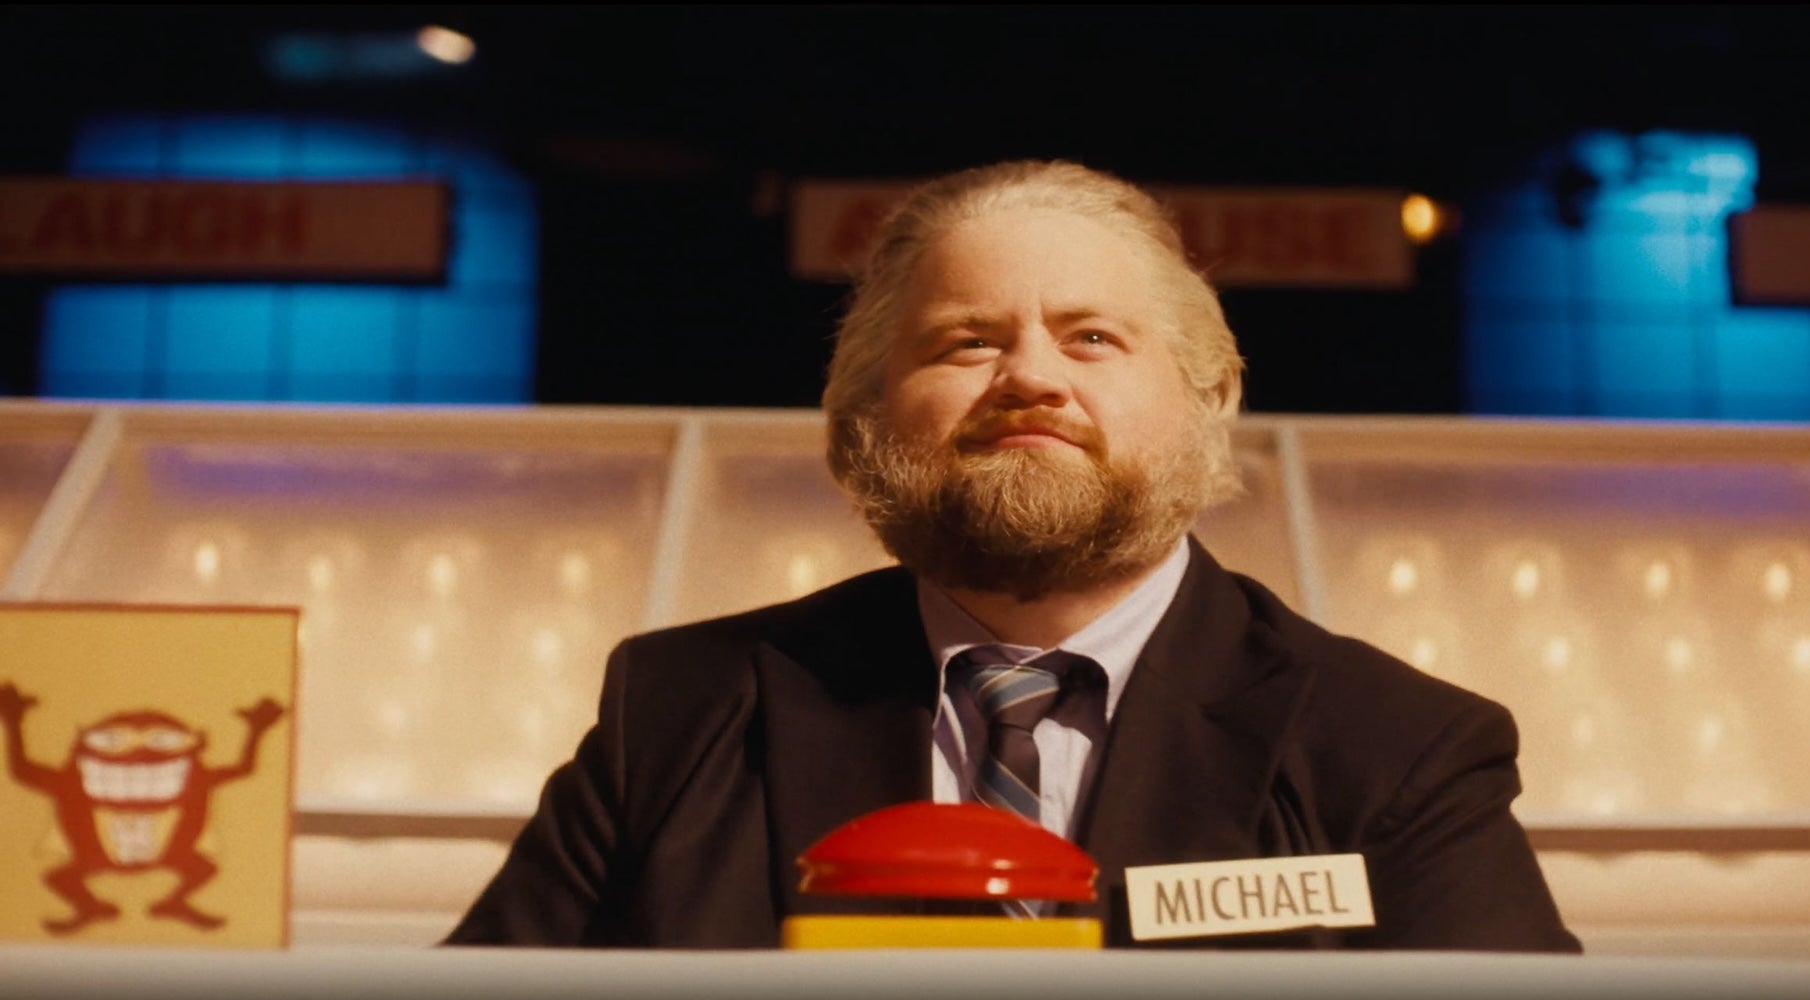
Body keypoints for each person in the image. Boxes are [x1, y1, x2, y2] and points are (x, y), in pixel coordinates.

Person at [445, 160, 1580, 952]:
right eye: (967, 341)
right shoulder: (675, 715)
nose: (1031, 377)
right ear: (859, 421)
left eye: (1092, 337)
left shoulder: (1396, 752)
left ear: (1209, 400)